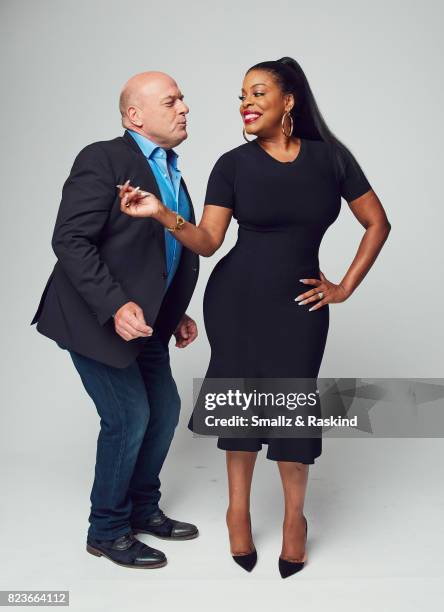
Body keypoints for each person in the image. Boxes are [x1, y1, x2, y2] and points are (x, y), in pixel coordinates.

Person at [117, 57, 391, 577]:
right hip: (236, 300)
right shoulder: (232, 164)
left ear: (289, 101)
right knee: (242, 406)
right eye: (242, 94)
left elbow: (376, 222)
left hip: (299, 306)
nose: (246, 102)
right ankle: (236, 511)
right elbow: (209, 241)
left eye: (258, 92)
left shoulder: (331, 159)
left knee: (292, 407)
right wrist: (163, 214)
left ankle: (294, 520)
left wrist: (345, 286)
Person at [30, 71, 201, 569]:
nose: (185, 107)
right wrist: (115, 305)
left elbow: (157, 251)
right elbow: (71, 240)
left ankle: (143, 511)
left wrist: (175, 312)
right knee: (128, 417)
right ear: (135, 116)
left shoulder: (172, 170)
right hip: (92, 317)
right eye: (171, 101)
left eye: (183, 99)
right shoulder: (102, 158)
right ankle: (106, 529)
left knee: (164, 410)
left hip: (146, 322)